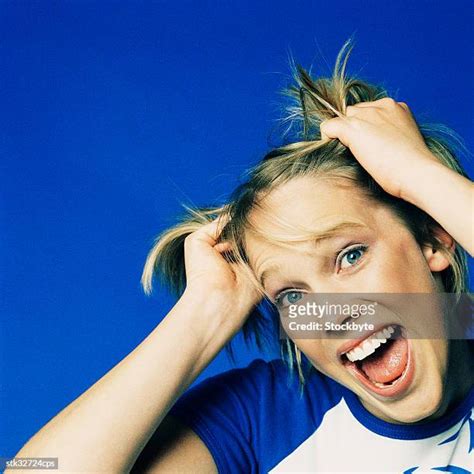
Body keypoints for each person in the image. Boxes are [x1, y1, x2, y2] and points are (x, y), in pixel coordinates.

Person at [9, 38, 473, 473]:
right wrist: (206, 313)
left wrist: (419, 175)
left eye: (350, 256)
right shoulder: (268, 416)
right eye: (292, 296)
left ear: (434, 239)